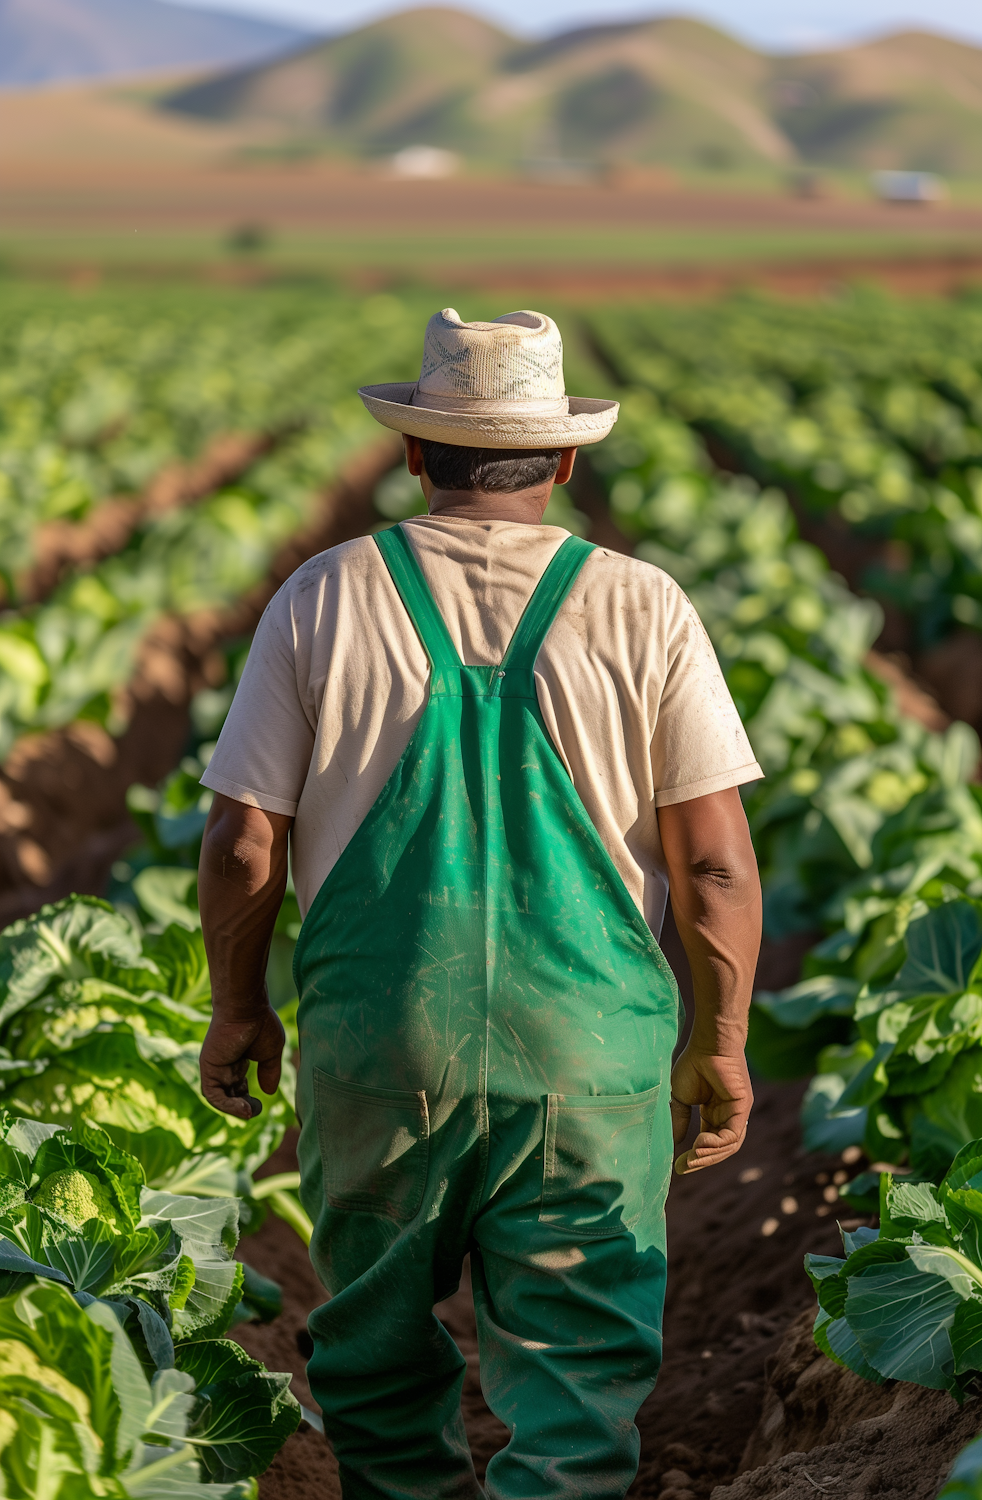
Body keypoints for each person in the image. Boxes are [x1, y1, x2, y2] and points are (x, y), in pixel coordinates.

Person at [196, 307, 763, 1500]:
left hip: (380, 1046)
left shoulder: (325, 595)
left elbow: (245, 839)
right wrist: (718, 1042)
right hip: (589, 1054)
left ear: (414, 454)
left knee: (378, 1367)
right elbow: (712, 863)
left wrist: (237, 1007)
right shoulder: (641, 605)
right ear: (563, 460)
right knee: (574, 1388)